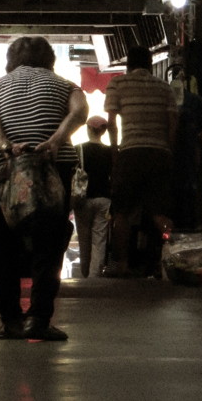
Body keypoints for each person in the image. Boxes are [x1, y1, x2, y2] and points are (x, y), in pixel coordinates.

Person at [0, 36, 88, 342]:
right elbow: (80, 111)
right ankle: (38, 319)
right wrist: (56, 140)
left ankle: (11, 321)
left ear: (11, 61)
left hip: (1, 169)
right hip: (50, 166)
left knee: (3, 245)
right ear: (50, 60)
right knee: (48, 245)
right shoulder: (65, 85)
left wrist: (5, 146)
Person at [103, 44, 178, 277]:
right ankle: (168, 261)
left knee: (122, 212)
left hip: (130, 153)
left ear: (128, 65)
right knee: (159, 212)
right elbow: (173, 123)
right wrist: (168, 150)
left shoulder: (117, 84)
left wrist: (115, 152)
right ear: (149, 64)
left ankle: (122, 264)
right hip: (159, 153)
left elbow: (112, 123)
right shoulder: (164, 87)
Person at [72, 115, 112, 278]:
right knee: (99, 240)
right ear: (103, 131)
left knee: (84, 240)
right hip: (104, 199)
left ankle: (84, 275)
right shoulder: (110, 152)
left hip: (83, 198)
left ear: (88, 129)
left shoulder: (78, 149)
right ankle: (95, 277)